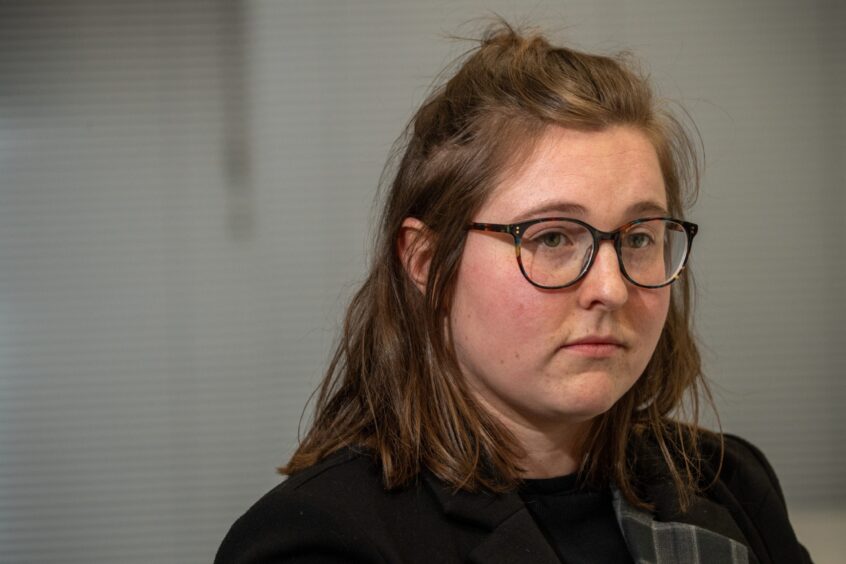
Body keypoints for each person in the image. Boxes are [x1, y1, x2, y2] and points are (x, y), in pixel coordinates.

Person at [215, 23, 811, 564]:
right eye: (552, 236)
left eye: (638, 238)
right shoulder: (321, 542)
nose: (611, 287)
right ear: (427, 262)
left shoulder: (731, 487)